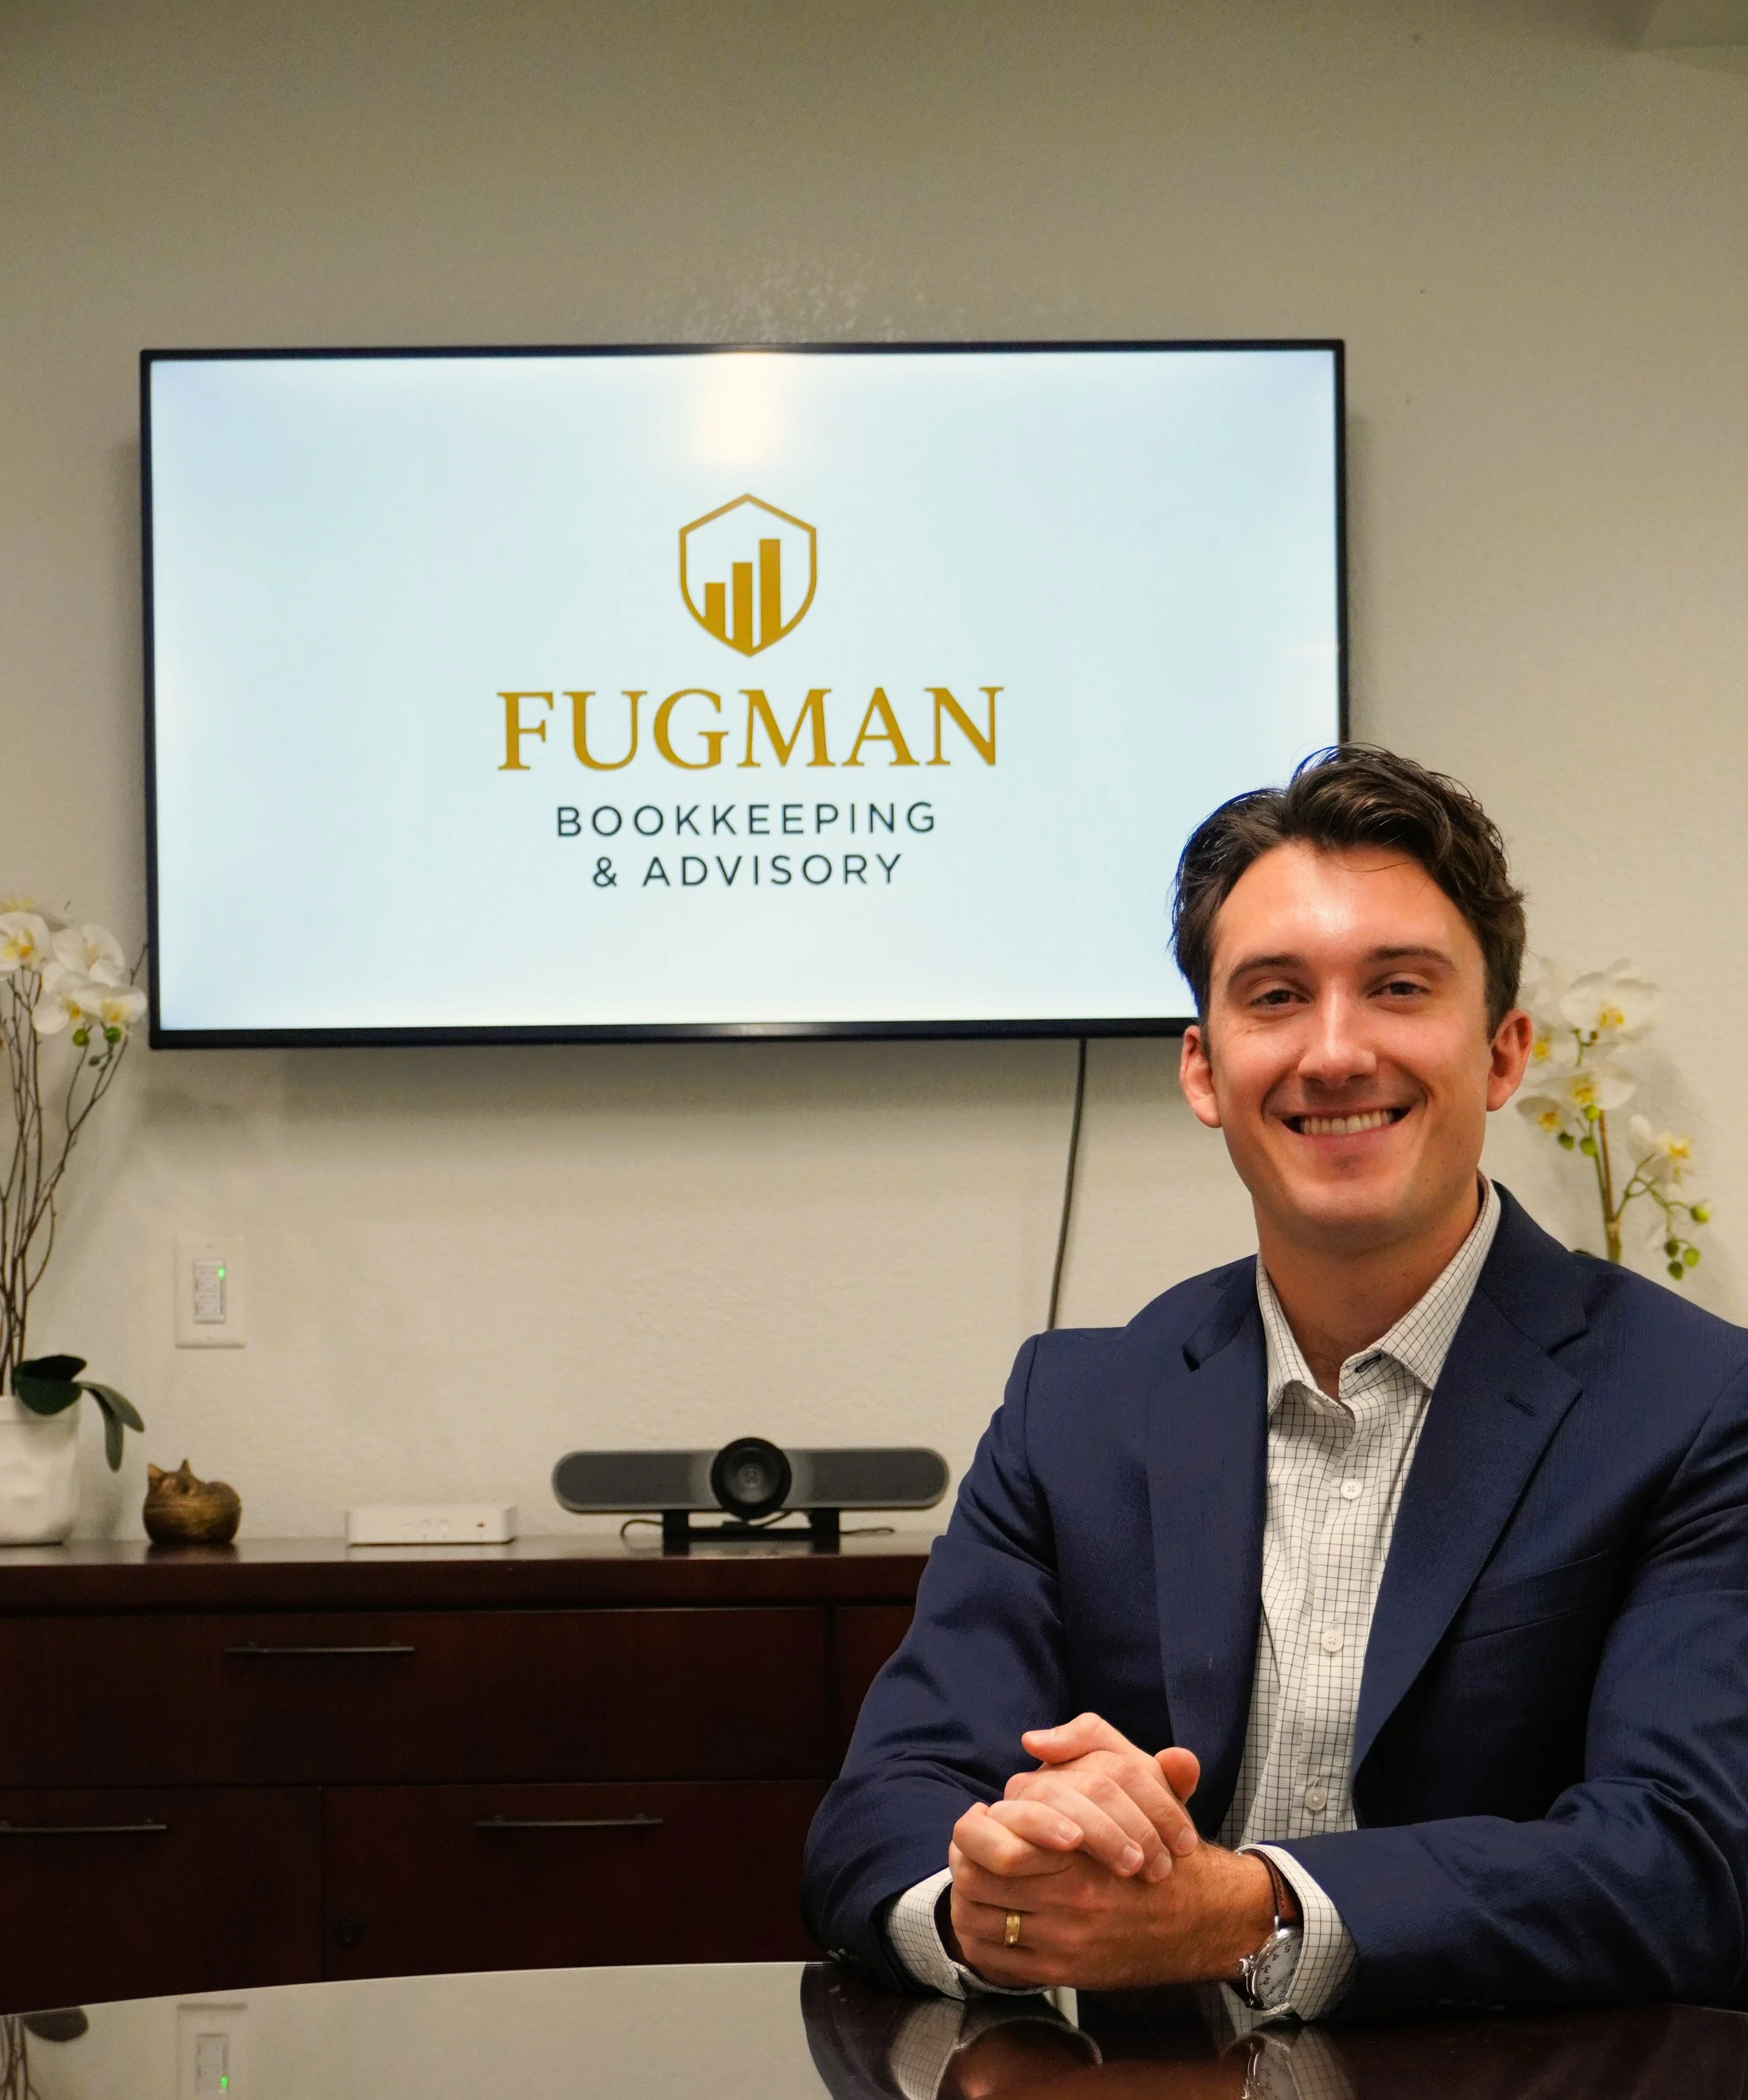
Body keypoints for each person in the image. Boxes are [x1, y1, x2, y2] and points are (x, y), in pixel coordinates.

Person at [801, 745, 1748, 2019]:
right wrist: (994, 1897)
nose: (1336, 1051)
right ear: (1204, 1067)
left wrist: (1253, 1905)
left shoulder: (1691, 1404)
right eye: (1276, 997)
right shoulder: (1071, 1409)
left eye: (1400, 987)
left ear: (1504, 1050)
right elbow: (886, 1802)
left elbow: (1684, 1858)